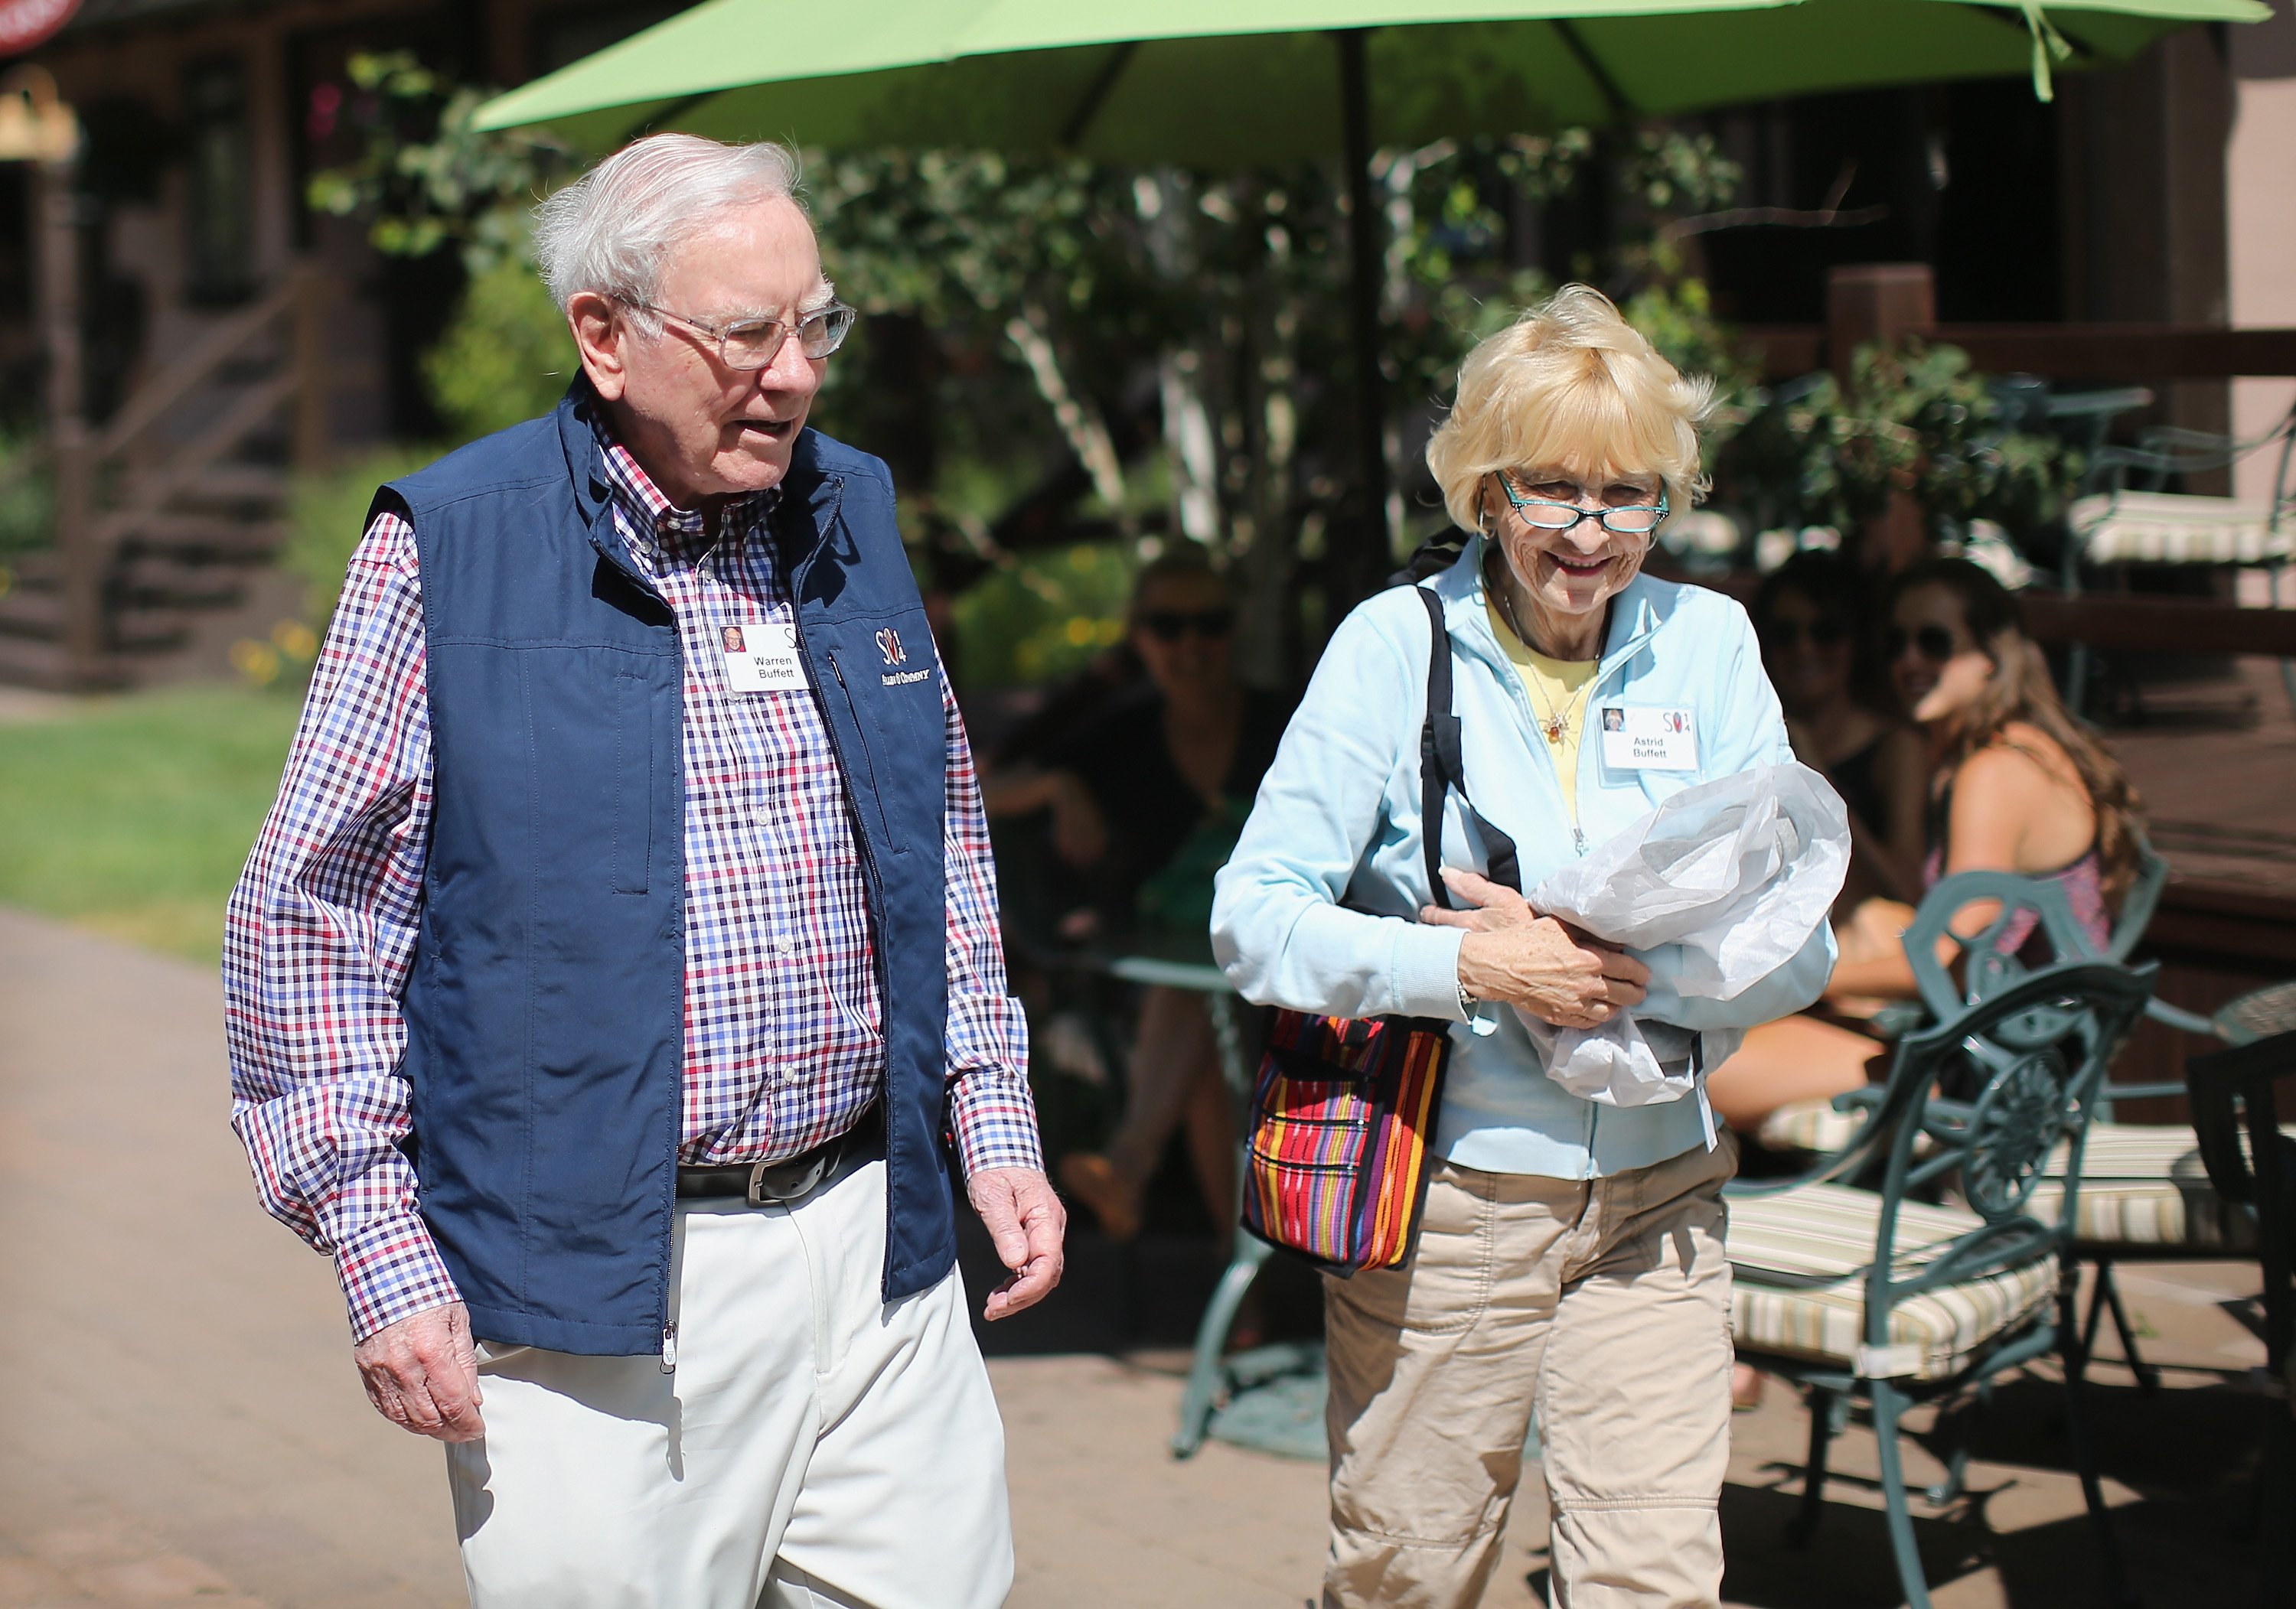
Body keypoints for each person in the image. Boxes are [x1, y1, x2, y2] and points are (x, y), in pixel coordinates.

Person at [223, 135, 1062, 1609]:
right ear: (603, 335)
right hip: (594, 1300)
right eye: (746, 336)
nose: (795, 375)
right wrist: (376, 1241)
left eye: (817, 326)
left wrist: (989, 1113)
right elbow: (311, 923)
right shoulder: (452, 551)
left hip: (877, 1251)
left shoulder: (847, 508)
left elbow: (941, 836)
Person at [1212, 285, 1834, 1609]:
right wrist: (1472, 969)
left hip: (1660, 1199)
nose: (1593, 533)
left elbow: (1799, 936)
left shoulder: (1709, 643)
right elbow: (1252, 916)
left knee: (1656, 1581)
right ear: (1488, 490)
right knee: (1407, 1578)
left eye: (1629, 494)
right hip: (1454, 1211)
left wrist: (1623, 978)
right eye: (1557, 489)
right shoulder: (1393, 647)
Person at [989, 552, 1291, 1243]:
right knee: (1203, 1023)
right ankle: (1238, 1279)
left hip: (1289, 972)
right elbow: (974, 786)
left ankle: (1135, 1169)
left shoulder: (1287, 721)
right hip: (1150, 986)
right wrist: (1059, 788)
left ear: (1234, 632)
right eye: (1168, 625)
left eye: (1208, 624)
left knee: (1205, 1001)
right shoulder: (1121, 736)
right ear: (1140, 637)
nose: (1190, 645)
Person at [1753, 550, 1926, 907]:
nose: (1805, 648)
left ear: (1857, 642)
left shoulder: (1896, 747)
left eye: (1826, 632)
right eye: (1785, 634)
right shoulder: (1753, 735)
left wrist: (1818, 780)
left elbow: (1906, 892)